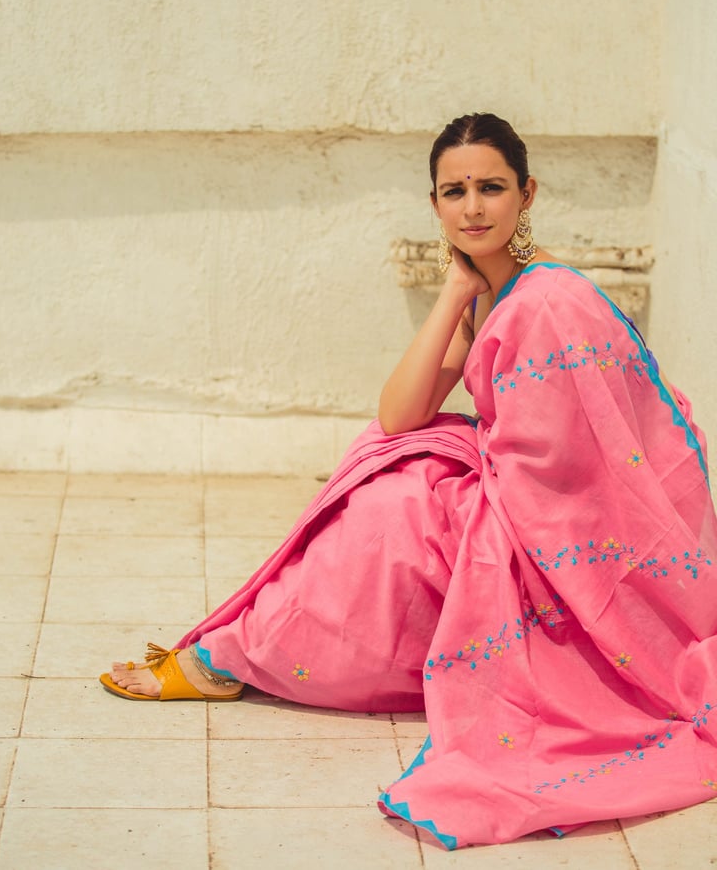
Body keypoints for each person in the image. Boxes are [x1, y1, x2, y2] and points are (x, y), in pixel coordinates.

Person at [101, 113, 717, 850]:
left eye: (492, 188)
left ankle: (240, 657)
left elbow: (567, 471)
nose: (473, 208)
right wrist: (454, 292)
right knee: (394, 467)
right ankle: (243, 650)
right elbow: (398, 412)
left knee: (397, 508)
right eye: (454, 192)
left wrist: (464, 486)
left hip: (574, 529)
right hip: (522, 490)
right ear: (434, 204)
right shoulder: (488, 288)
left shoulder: (551, 299)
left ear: (527, 194)